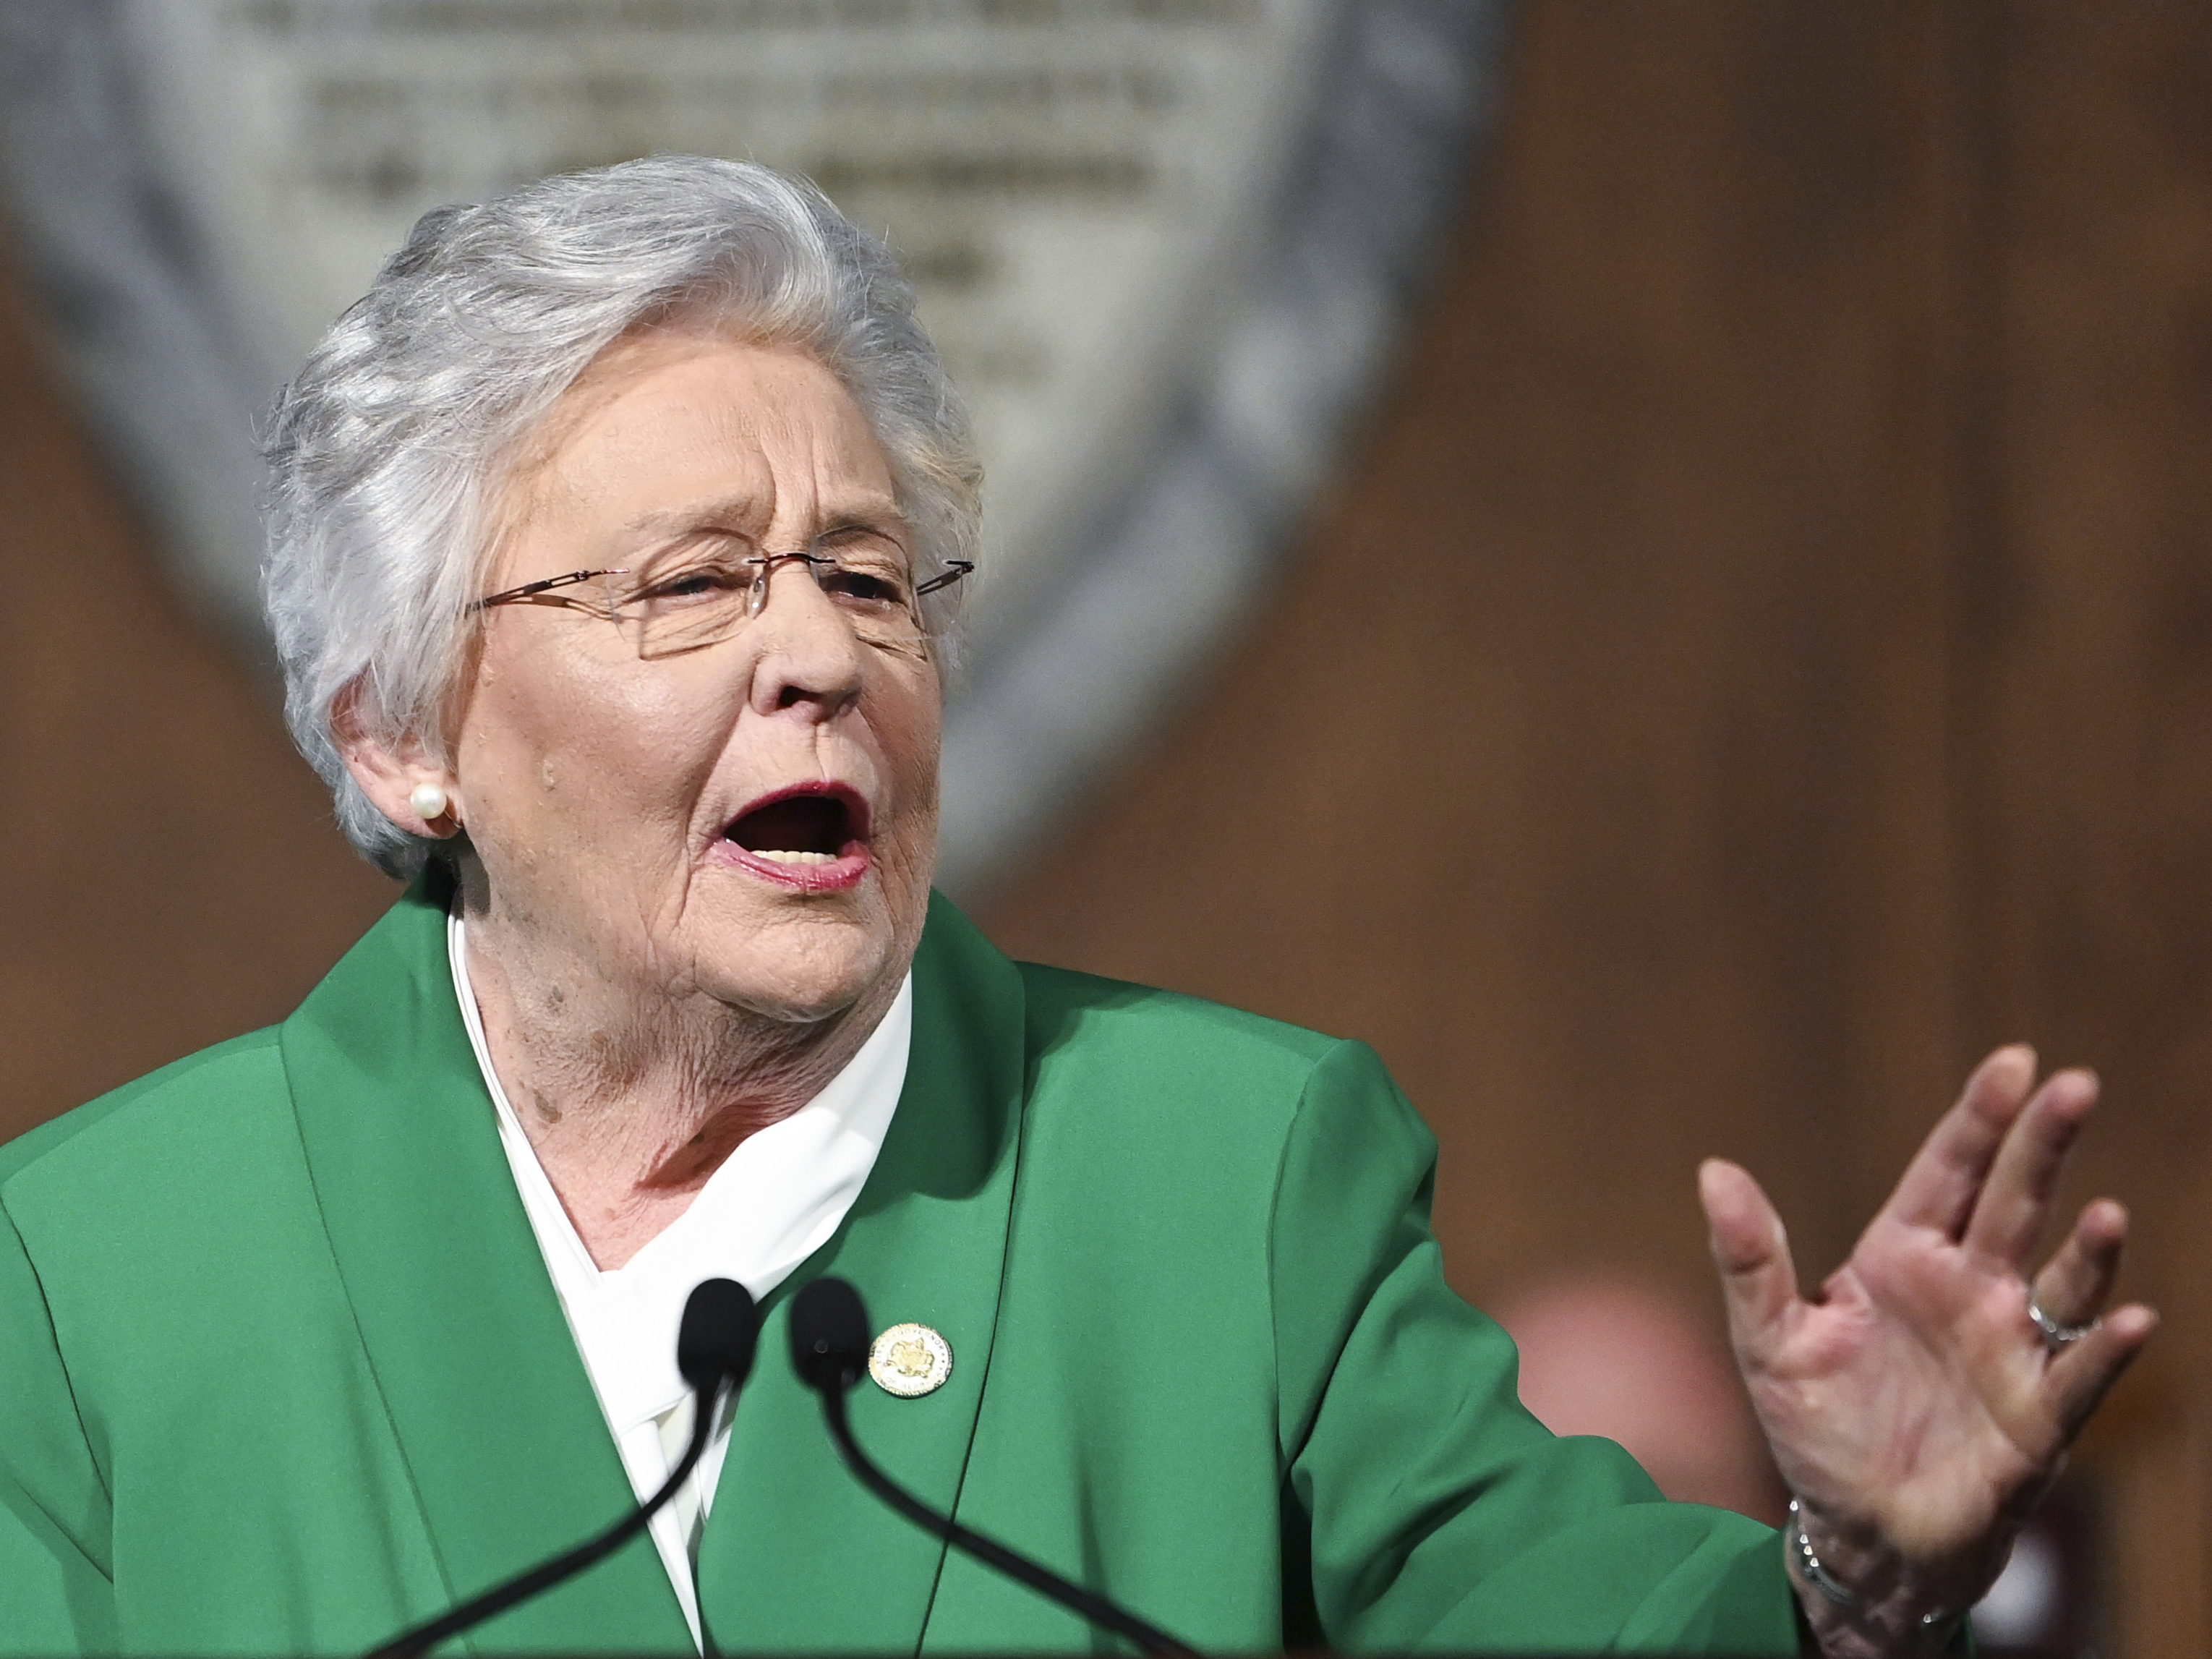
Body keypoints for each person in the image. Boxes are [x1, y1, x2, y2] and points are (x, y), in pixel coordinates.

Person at [0, 157, 2151, 1658]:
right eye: (688, 586)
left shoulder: (1220, 1176)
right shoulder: (90, 1280)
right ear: (401, 738)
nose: (820, 653)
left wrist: (1850, 1589)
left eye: (864, 575)